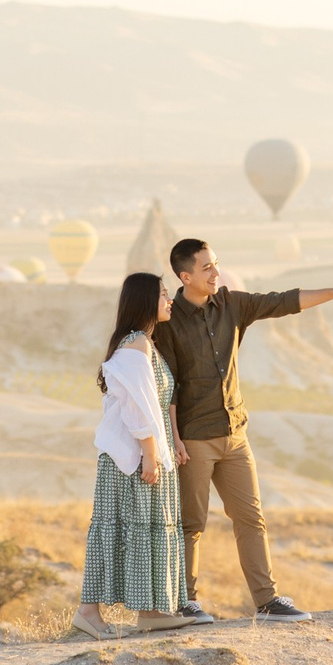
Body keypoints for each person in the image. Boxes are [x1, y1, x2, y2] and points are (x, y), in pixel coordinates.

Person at [151, 237, 333, 623]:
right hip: (194, 439)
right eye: (207, 268)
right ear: (185, 276)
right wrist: (176, 439)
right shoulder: (168, 322)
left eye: (216, 263)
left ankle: (267, 601)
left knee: (252, 518)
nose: (216, 272)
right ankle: (185, 601)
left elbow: (282, 301)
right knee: (191, 524)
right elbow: (169, 386)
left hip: (235, 432)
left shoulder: (232, 304)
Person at [71, 271, 198, 641]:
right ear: (145, 302)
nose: (169, 300)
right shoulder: (135, 346)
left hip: (149, 453)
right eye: (162, 295)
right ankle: (88, 613)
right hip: (132, 459)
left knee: (147, 528)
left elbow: (156, 404)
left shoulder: (145, 343)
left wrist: (169, 443)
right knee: (122, 530)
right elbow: (136, 408)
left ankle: (153, 612)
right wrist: (149, 453)